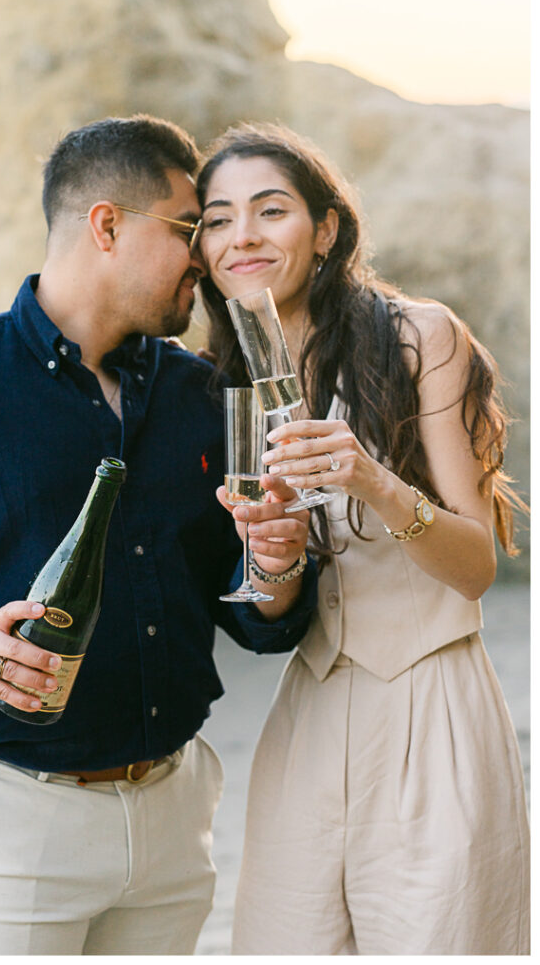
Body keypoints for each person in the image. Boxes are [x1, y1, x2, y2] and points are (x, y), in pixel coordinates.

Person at [0, 114, 317, 956]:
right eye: (195, 226)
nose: (208, 255)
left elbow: (258, 617)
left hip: (174, 819)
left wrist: (278, 564)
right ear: (106, 225)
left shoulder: (205, 395)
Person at [196, 122, 530, 955]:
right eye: (216, 217)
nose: (242, 235)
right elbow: (270, 600)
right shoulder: (221, 378)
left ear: (326, 230)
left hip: (432, 705)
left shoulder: (419, 336)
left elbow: (475, 568)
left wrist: (372, 479)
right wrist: (270, 560)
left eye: (270, 211)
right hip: (309, 711)